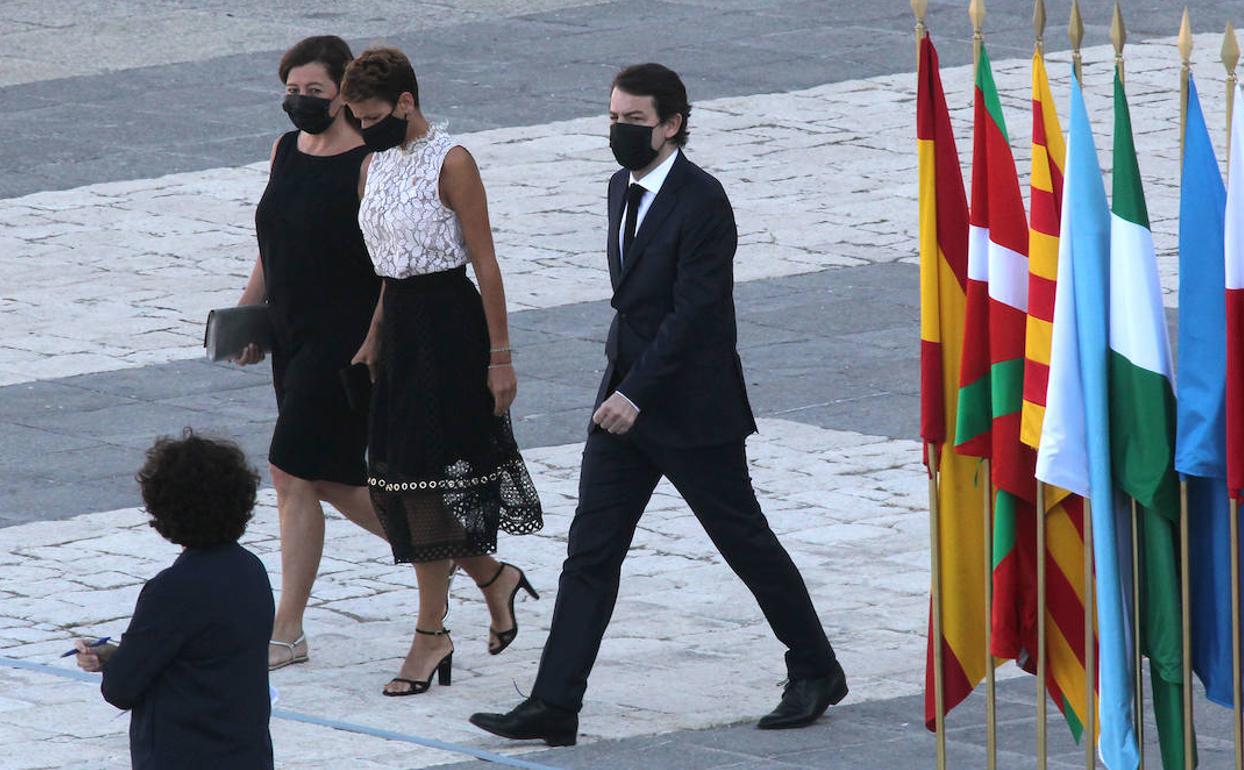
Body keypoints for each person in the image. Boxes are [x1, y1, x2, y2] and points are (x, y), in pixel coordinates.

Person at [469, 63, 848, 746]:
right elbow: (635, 304)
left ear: (672, 124)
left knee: (744, 541)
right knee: (590, 552)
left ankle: (816, 668)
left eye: (634, 122)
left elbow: (697, 313)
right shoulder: (621, 186)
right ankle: (556, 702)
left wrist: (635, 393)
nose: (620, 132)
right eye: (613, 119)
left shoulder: (703, 201)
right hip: (621, 404)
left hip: (688, 409)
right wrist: (619, 388)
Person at [341, 47, 544, 696]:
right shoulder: (371, 164)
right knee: (401, 480)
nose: (363, 127)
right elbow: (384, 265)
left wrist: (501, 355)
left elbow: (485, 264)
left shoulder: (452, 160)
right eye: (355, 116)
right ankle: (492, 578)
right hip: (399, 328)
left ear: (405, 103)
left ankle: (431, 634)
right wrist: (374, 335)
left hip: (449, 327)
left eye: (371, 115)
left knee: (431, 480)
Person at [235, 35, 387, 671]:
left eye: (314, 92)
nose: (300, 102)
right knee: (324, 479)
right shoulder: (284, 151)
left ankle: (287, 629)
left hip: (343, 339)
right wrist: (247, 315)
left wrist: (376, 340)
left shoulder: (369, 163)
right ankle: (473, 560)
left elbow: (391, 263)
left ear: (344, 93)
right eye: (292, 91)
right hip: (291, 336)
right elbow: (270, 242)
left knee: (290, 470)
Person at [74, 430, 274, 769]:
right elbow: (207, 652)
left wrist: (118, 663)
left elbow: (121, 688)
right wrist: (116, 656)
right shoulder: (251, 570)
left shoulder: (171, 589)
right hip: (246, 753)